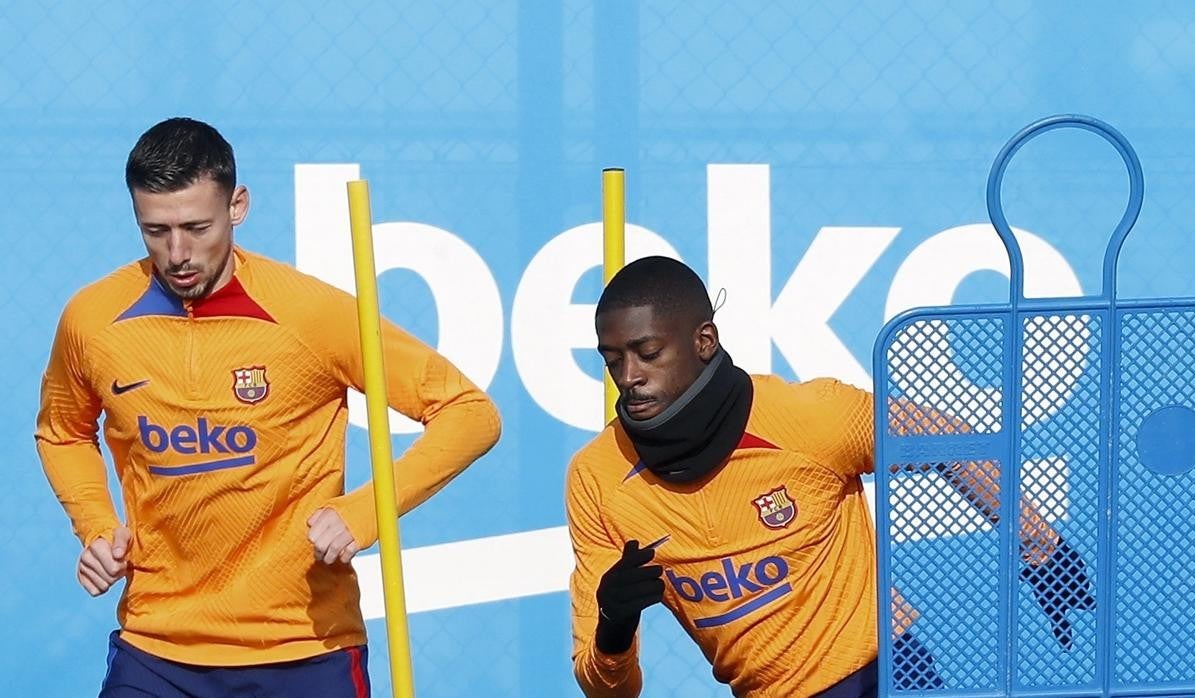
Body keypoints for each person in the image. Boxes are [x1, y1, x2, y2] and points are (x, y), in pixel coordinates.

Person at [34, 117, 502, 698]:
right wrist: (97, 528)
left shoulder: (310, 314)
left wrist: (366, 512)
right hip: (158, 649)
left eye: (196, 227)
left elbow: (469, 413)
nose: (177, 253)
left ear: (238, 206)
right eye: (155, 230)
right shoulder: (93, 318)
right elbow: (62, 432)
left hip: (305, 649)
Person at [565, 256, 1093, 697]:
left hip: (889, 676)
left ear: (704, 341)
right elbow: (608, 690)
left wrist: (1042, 550)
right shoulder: (597, 478)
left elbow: (955, 444)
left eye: (648, 353)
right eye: (613, 361)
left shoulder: (810, 417)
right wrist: (614, 629)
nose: (629, 377)